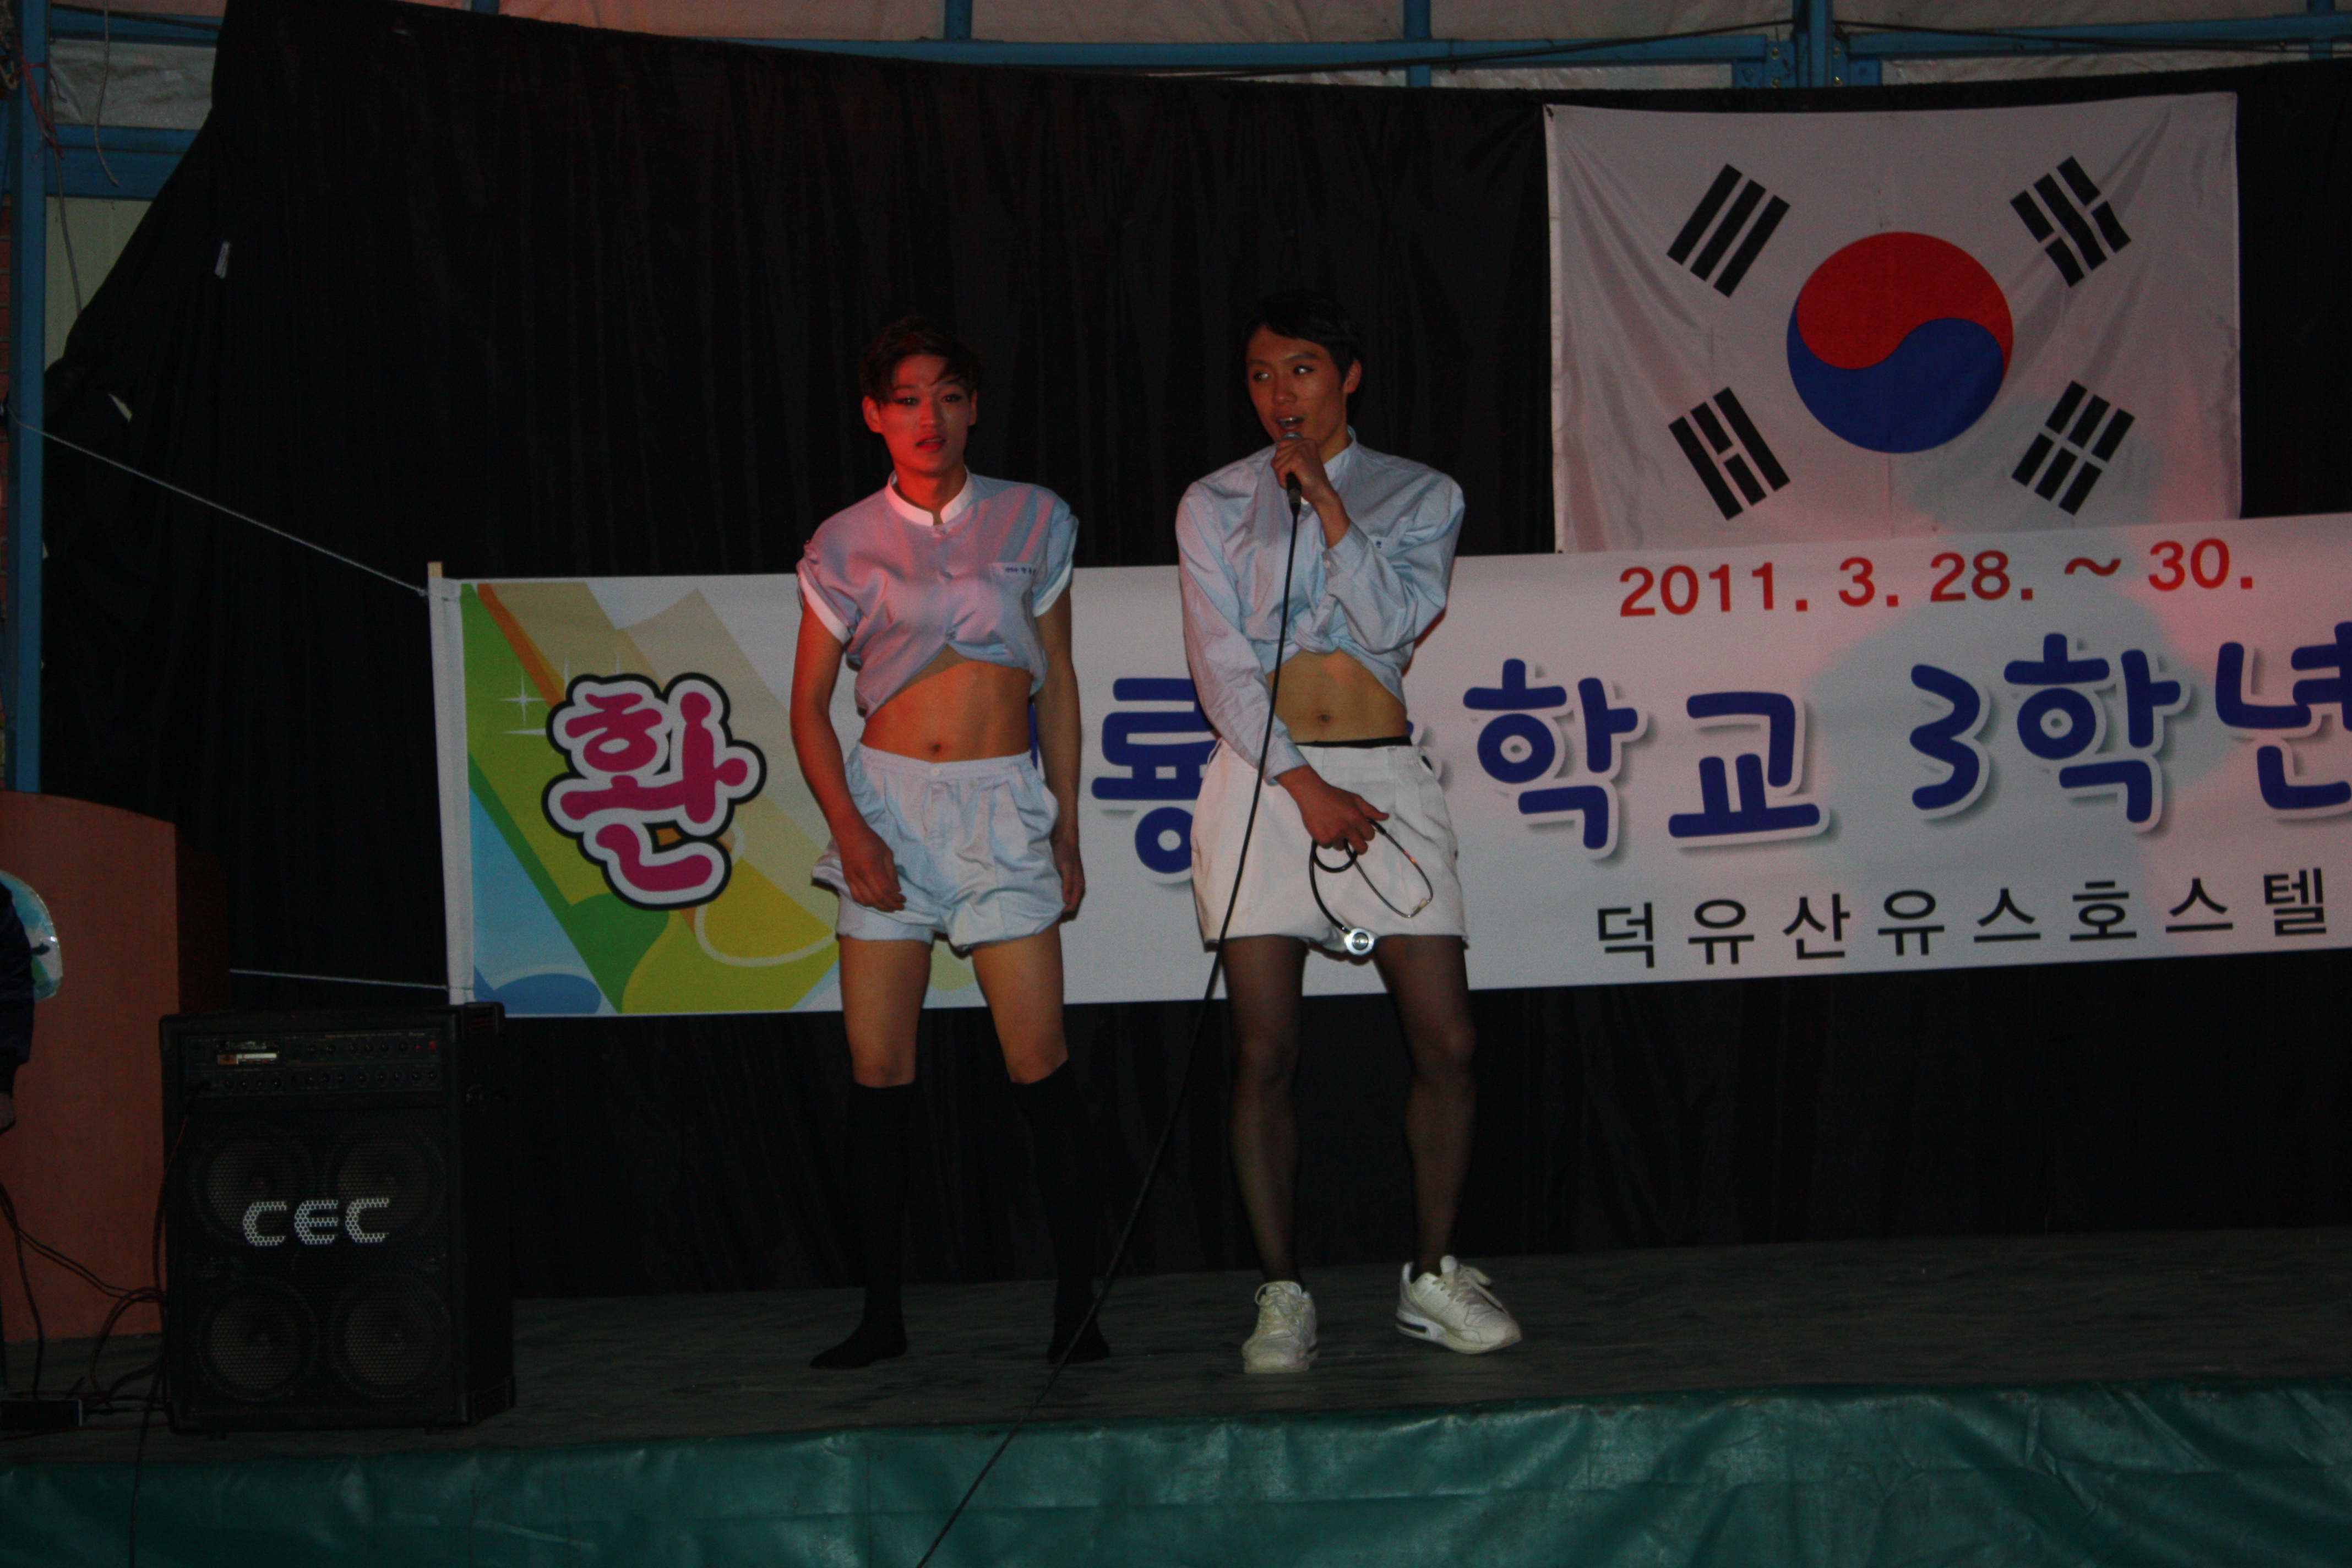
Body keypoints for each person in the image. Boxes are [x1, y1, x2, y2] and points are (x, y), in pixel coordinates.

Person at [1175, 290, 1521, 1374]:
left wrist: (1328, 503)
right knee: (1265, 1047)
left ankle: (1431, 1273)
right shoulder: (1213, 502)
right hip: (1267, 783)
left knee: (1448, 1039)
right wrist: (1301, 784)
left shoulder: (1421, 492)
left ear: (1348, 376)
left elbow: (1393, 621)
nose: (1281, 393)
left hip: (1382, 775)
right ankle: (1283, 1292)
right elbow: (1221, 667)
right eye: (1261, 374)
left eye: (1303, 369)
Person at [790, 317, 1104, 1368]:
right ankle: (879, 1316)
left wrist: (1066, 825)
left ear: (974, 408)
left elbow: (1060, 683)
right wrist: (850, 831)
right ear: (875, 415)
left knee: (1039, 1060)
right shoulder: (844, 540)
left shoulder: (1034, 516)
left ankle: (1078, 1307)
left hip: (1000, 801)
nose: (930, 417)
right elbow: (808, 707)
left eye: (950, 395)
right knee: (879, 1068)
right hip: (888, 804)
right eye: (908, 399)